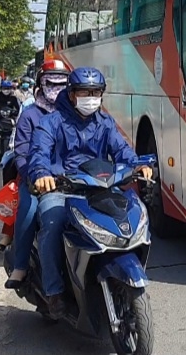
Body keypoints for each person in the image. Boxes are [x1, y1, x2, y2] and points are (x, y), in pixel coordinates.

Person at [26, 66, 155, 318]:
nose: (91, 97)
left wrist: (137, 165)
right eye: (85, 92)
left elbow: (122, 151)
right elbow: (38, 152)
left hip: (98, 188)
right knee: (52, 224)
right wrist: (42, 174)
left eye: (96, 92)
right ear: (72, 95)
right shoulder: (52, 122)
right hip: (63, 190)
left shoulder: (104, 123)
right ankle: (53, 292)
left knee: (132, 211)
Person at [0, 59, 71, 278]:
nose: (56, 90)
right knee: (29, 210)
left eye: (62, 84)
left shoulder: (73, 114)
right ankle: (20, 265)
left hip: (69, 178)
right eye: (51, 83)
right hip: (34, 179)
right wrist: (35, 176)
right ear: (40, 84)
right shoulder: (30, 115)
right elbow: (21, 152)